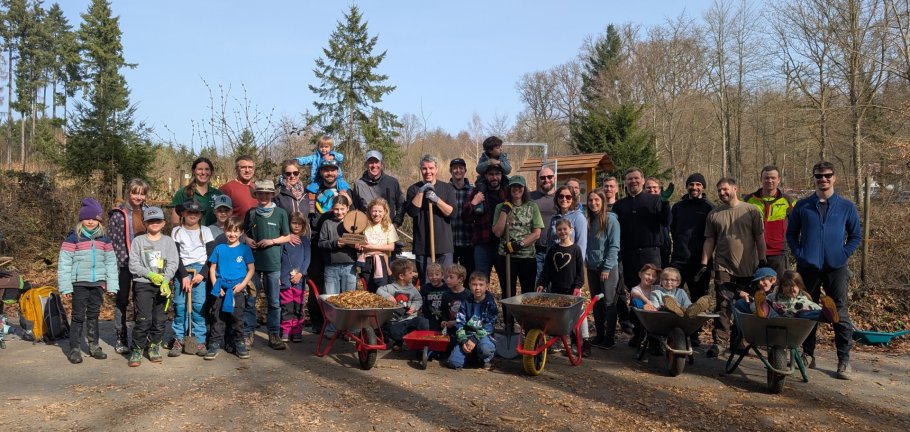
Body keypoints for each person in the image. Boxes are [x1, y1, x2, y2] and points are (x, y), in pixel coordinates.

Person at [786, 161, 861, 379]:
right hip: (808, 267)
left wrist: (843, 254)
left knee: (839, 312)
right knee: (806, 309)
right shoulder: (803, 205)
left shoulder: (846, 207)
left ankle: (843, 360)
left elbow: (855, 235)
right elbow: (791, 234)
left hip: (835, 268)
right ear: (814, 179)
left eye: (827, 175)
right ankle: (807, 354)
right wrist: (800, 254)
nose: (823, 179)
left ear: (834, 178)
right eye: (819, 176)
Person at [700, 177, 767, 358]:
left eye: (725, 189)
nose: (722, 193)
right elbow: (709, 240)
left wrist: (762, 260)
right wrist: (704, 263)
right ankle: (719, 343)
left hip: (748, 266)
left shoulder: (751, 211)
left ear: (735, 189)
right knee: (723, 304)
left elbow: (760, 237)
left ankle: (739, 342)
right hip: (723, 265)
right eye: (719, 190)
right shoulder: (714, 214)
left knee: (744, 304)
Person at [58, 198, 119, 364]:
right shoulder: (73, 239)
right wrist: (65, 288)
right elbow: (64, 263)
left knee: (93, 316)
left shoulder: (104, 240)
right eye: (87, 218)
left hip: (98, 284)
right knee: (78, 317)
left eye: (94, 218)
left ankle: (94, 346)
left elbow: (111, 264)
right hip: (79, 284)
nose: (90, 221)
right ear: (81, 220)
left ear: (99, 220)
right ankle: (75, 349)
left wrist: (112, 285)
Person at [613, 167, 670, 335]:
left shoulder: (655, 201)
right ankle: (638, 334)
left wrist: (665, 203)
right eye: (629, 179)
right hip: (629, 255)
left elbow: (666, 221)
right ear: (625, 183)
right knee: (635, 293)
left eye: (636, 178)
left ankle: (654, 337)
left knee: (653, 292)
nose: (633, 181)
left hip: (650, 252)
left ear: (643, 180)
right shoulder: (619, 205)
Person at [127, 206, 179, 367]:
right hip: (143, 285)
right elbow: (133, 265)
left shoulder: (168, 242)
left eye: (157, 220)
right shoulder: (138, 241)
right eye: (151, 221)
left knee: (159, 320)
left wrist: (165, 279)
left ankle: (154, 346)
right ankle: (137, 348)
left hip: (162, 287)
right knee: (143, 319)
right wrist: (149, 274)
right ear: (145, 223)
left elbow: (173, 262)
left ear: (163, 223)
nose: (154, 223)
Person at [243, 180, 291, 351]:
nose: (263, 196)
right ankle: (248, 333)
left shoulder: (280, 213)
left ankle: (274, 334)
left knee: (274, 302)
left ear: (272, 195)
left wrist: (271, 241)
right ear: (256, 195)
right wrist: (247, 240)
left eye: (267, 193)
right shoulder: (252, 213)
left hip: (273, 263)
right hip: (253, 265)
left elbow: (287, 237)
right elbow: (244, 233)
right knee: (250, 299)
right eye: (260, 193)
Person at [492, 175, 543, 331]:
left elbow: (536, 233)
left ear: (524, 189)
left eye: (520, 187)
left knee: (527, 293)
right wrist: (505, 211)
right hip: (506, 258)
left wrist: (518, 245)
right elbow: (497, 232)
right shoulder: (500, 207)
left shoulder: (532, 206)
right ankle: (508, 324)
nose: (517, 189)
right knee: (508, 293)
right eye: (514, 186)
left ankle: (528, 328)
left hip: (527, 257)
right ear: (509, 188)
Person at [669, 173, 714, 346]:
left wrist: (704, 260)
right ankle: (674, 331)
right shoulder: (678, 207)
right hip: (679, 260)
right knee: (672, 297)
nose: (694, 187)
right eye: (691, 184)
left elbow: (713, 236)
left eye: (698, 184)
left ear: (703, 187)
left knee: (698, 299)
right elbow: (673, 229)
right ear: (686, 186)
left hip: (700, 263)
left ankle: (693, 335)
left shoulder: (710, 207)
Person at [108, 178, 149, 354]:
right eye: (135, 192)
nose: (138, 197)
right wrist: (112, 264)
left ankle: (141, 337)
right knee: (122, 301)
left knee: (142, 301)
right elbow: (112, 240)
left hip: (144, 264)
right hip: (123, 263)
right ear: (128, 193)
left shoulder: (149, 213)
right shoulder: (119, 213)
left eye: (142, 193)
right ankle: (120, 336)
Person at [169, 200, 215, 357]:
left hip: (199, 271)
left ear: (201, 215)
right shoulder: (176, 231)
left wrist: (202, 273)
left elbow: (211, 255)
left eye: (196, 213)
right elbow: (175, 255)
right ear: (183, 213)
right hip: (181, 269)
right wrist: (182, 275)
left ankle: (199, 339)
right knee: (180, 306)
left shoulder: (206, 231)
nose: (193, 215)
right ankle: (179, 338)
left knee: (198, 306)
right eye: (189, 212)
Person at [536, 218, 587, 355]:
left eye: (565, 229)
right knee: (557, 318)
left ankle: (575, 343)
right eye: (559, 229)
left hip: (571, 290)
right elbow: (547, 270)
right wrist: (542, 283)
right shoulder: (553, 249)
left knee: (573, 319)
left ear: (571, 230)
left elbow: (580, 273)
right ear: (556, 232)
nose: (562, 232)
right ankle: (557, 341)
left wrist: (577, 287)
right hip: (556, 289)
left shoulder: (576, 250)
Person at [206, 217, 255, 360]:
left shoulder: (245, 249)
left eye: (236, 231)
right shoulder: (219, 248)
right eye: (229, 231)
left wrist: (242, 285)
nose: (232, 234)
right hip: (221, 288)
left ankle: (239, 342)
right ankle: (214, 344)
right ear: (224, 230)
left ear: (241, 232)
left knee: (237, 317)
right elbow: (212, 269)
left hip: (236, 289)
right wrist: (217, 285)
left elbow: (251, 269)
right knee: (217, 317)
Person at [405, 155, 456, 283]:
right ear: (420, 170)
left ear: (436, 169)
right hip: (423, 247)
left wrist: (436, 199)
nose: (428, 172)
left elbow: (452, 213)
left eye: (431, 168)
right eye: (424, 168)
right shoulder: (413, 189)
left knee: (446, 283)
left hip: (444, 246)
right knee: (427, 284)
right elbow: (412, 212)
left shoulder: (447, 188)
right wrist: (421, 192)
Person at [585, 189, 621, 349]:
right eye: (590, 200)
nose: (593, 203)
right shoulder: (589, 220)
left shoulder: (611, 220)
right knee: (596, 302)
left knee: (608, 302)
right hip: (591, 267)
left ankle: (609, 337)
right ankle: (599, 334)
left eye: (596, 200)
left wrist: (607, 268)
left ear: (603, 201)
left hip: (607, 268)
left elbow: (614, 246)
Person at [745, 165, 795, 277]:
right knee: (756, 289)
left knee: (780, 288)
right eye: (766, 178)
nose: (770, 181)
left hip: (779, 253)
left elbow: (798, 225)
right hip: (754, 252)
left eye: (773, 178)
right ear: (761, 179)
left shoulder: (788, 201)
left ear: (779, 180)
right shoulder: (748, 200)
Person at [447, 271, 498, 370]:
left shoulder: (490, 304)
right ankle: (471, 355)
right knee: (454, 363)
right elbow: (459, 323)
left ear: (487, 286)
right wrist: (464, 340)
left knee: (485, 349)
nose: (477, 288)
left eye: (481, 285)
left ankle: (485, 359)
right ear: (470, 285)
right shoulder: (466, 302)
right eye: (474, 284)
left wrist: (474, 340)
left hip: (483, 336)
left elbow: (488, 326)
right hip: (467, 335)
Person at [463, 164, 508, 277]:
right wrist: (474, 203)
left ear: (501, 176)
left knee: (505, 279)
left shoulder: (506, 193)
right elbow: (465, 217)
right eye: (491, 174)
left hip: (503, 244)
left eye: (497, 174)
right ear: (486, 176)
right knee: (481, 279)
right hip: (482, 244)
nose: (494, 177)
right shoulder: (478, 192)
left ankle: (507, 296)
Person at [377, 258, 429, 350]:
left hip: (411, 320)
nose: (412, 275)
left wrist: (414, 307)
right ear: (401, 276)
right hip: (396, 322)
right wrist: (387, 296)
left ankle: (419, 343)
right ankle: (399, 341)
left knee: (423, 322)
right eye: (410, 273)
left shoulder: (412, 289)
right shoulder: (390, 288)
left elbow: (418, 300)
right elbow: (379, 290)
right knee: (394, 331)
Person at [755, 270, 839, 323]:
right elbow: (767, 299)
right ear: (781, 287)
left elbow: (814, 307)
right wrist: (763, 302)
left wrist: (823, 310)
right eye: (786, 285)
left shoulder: (803, 299)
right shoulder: (776, 295)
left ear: (799, 286)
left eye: (793, 286)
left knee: (804, 313)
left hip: (795, 321)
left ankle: (827, 315)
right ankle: (764, 310)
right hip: (777, 319)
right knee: (768, 306)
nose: (790, 289)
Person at [279, 212, 311, 343]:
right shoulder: (284, 240)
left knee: (298, 306)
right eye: (294, 223)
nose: (296, 226)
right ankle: (285, 330)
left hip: (299, 280)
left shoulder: (305, 241)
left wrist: (300, 274)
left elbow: (307, 259)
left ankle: (296, 330)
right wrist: (280, 276)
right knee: (287, 306)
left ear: (303, 225)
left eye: (299, 224)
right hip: (285, 279)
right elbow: (279, 258)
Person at [351, 150, 405, 227]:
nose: (374, 165)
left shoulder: (392, 182)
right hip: (367, 230)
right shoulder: (359, 185)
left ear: (381, 164)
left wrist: (396, 223)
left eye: (376, 162)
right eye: (371, 162)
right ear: (366, 164)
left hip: (389, 230)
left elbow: (401, 204)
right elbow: (355, 209)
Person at [318, 195, 358, 295]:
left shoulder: (355, 223)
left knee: (349, 299)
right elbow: (321, 243)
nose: (339, 212)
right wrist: (335, 243)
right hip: (331, 267)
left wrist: (358, 246)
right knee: (331, 299)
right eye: (336, 209)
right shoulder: (327, 223)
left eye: (342, 209)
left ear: (348, 208)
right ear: (332, 209)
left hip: (350, 266)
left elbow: (361, 240)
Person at [358, 198, 398, 292]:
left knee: (382, 289)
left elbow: (391, 247)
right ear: (370, 211)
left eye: (380, 211)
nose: (377, 214)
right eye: (374, 211)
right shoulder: (364, 225)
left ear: (385, 212)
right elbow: (359, 241)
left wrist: (372, 247)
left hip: (382, 261)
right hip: (367, 261)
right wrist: (358, 245)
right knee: (369, 289)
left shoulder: (389, 226)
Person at [171, 156, 220, 226]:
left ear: (211, 172)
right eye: (200, 169)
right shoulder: (182, 193)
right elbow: (175, 221)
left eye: (207, 169)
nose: (203, 172)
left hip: (213, 236)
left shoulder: (218, 194)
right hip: (189, 235)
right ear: (193, 171)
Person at [449, 158, 475, 279]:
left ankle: (467, 297)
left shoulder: (473, 191)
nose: (457, 170)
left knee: (468, 275)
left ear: (465, 170)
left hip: (468, 241)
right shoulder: (445, 190)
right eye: (455, 168)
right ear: (450, 170)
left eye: (461, 168)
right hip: (449, 242)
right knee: (450, 276)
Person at [473, 136, 512, 213]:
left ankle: (508, 204)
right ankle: (480, 205)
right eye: (498, 148)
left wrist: (499, 163)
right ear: (490, 150)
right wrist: (488, 162)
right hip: (485, 180)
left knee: (508, 186)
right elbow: (478, 169)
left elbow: (508, 170)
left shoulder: (503, 157)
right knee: (481, 187)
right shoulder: (484, 157)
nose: (501, 149)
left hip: (502, 180)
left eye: (501, 147)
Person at [547, 185, 587, 259]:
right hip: (554, 260)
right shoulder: (554, 218)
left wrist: (578, 265)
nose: (564, 199)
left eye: (568, 197)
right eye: (561, 196)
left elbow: (582, 244)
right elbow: (549, 244)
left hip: (570, 261)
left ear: (573, 199)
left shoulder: (578, 217)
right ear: (557, 198)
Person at [531, 166, 557, 279]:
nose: (546, 180)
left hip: (556, 248)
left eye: (549, 177)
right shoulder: (530, 197)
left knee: (555, 286)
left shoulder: (562, 197)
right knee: (537, 284)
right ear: (538, 180)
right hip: (536, 250)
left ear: (554, 178)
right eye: (542, 177)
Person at [441, 263, 471, 354]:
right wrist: (443, 321)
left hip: (464, 329)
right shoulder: (446, 295)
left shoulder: (468, 295)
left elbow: (471, 317)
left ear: (460, 279)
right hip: (449, 329)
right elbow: (444, 312)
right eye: (446, 277)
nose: (447, 280)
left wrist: (456, 322)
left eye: (451, 277)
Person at [219, 155, 258, 220]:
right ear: (236, 169)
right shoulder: (226, 189)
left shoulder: (258, 188)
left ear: (254, 170)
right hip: (236, 229)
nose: (247, 170)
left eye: (250, 167)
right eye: (243, 167)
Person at [274, 159, 310, 226]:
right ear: (283, 175)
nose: (292, 176)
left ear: (299, 174)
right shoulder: (278, 193)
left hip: (304, 235)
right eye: (288, 173)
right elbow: (275, 220)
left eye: (295, 173)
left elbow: (309, 217)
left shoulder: (306, 193)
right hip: (286, 235)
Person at [421, 262, 447, 332]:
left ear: (442, 276)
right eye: (431, 275)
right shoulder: (425, 288)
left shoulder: (447, 288)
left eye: (437, 274)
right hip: (430, 319)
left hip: (444, 320)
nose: (434, 277)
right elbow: (422, 304)